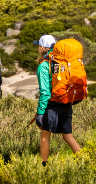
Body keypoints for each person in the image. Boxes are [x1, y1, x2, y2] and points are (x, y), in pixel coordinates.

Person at [30, 35, 81, 167]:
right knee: (68, 136)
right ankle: (85, 161)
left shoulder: (43, 66)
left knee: (45, 136)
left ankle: (44, 165)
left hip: (52, 105)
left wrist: (40, 112)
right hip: (66, 102)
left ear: (42, 47)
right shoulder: (61, 62)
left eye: (38, 46)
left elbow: (45, 92)